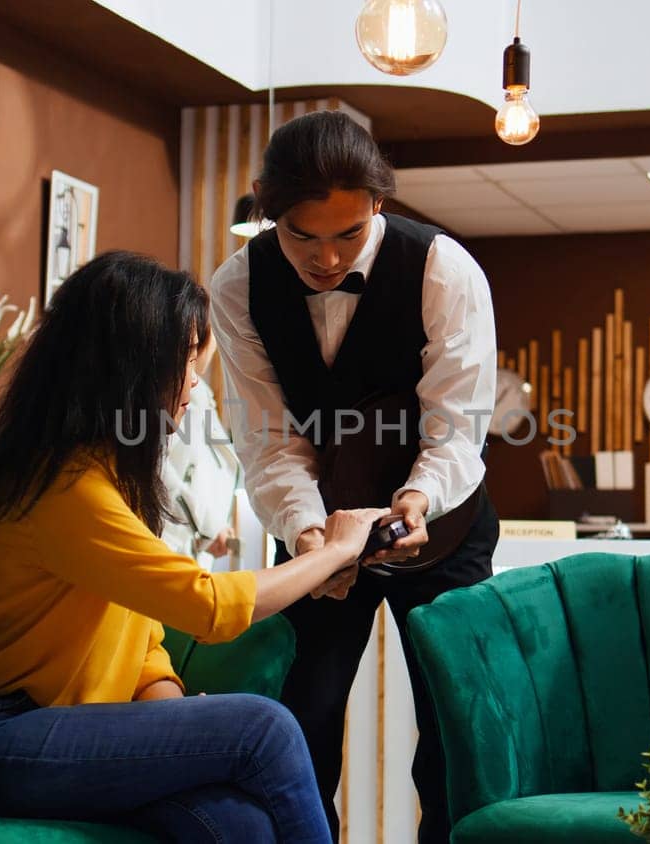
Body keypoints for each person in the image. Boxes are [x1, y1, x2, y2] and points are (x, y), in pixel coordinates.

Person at [0, 251, 390, 843]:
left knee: (242, 827)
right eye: (185, 361)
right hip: (6, 738)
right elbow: (206, 606)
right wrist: (332, 553)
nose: (194, 383)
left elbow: (141, 637)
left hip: (80, 728)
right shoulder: (66, 488)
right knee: (266, 729)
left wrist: (168, 706)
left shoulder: (106, 476)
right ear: (130, 363)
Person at [210, 110, 500, 842]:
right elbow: (269, 439)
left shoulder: (444, 268)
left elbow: (456, 423)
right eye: (303, 236)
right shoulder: (238, 286)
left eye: (346, 235)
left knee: (450, 729)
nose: (327, 259)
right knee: (299, 720)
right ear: (270, 213)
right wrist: (311, 537)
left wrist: (416, 500)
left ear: (378, 204)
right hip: (317, 521)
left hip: (444, 526)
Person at [159, 332, 243, 570]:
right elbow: (160, 473)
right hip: (170, 549)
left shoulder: (201, 394)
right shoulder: (174, 397)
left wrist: (215, 528)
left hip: (193, 554)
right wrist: (210, 527)